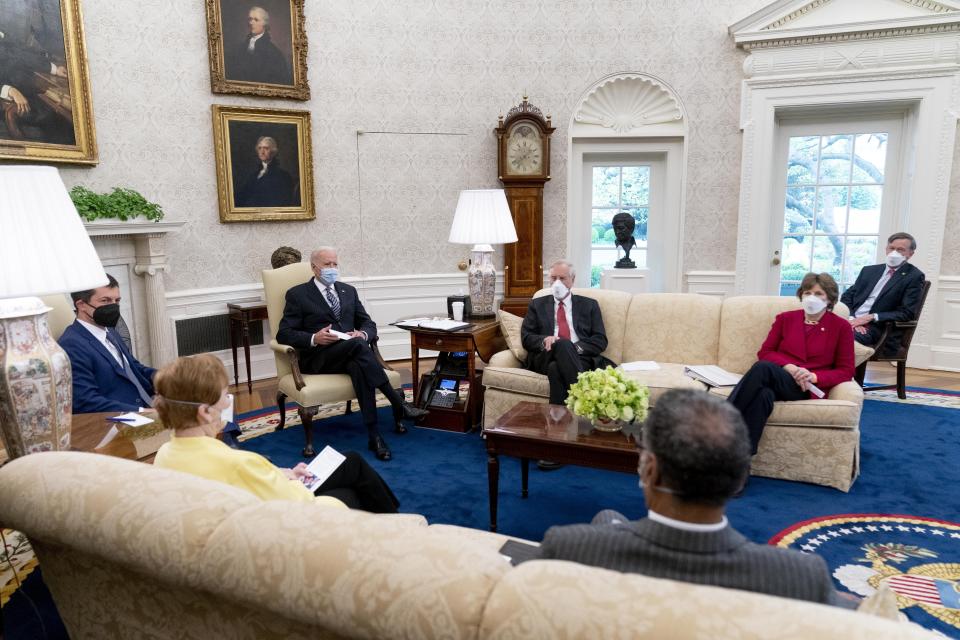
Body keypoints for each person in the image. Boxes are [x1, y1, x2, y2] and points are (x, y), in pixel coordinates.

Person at [537, 389, 843, 606]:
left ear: (650, 471)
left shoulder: (568, 547)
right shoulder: (802, 578)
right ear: (738, 478)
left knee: (606, 518)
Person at [153, 354, 399, 513]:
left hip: (265, 499)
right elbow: (298, 504)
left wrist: (281, 474)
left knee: (350, 461)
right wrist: (291, 479)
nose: (229, 404)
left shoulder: (164, 454)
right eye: (225, 397)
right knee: (352, 489)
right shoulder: (239, 463)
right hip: (298, 523)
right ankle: (399, 529)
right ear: (205, 413)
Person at [277, 247, 427, 461]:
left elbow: (368, 322)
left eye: (335, 264)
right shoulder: (297, 294)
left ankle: (375, 437)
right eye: (327, 264)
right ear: (314, 267)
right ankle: (399, 403)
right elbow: (284, 333)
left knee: (359, 363)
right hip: (319, 359)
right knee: (358, 348)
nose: (332, 268)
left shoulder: (348, 290)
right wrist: (313, 338)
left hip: (351, 354)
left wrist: (363, 333)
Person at [728, 272, 855, 455]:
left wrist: (813, 376)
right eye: (807, 292)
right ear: (801, 295)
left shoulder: (841, 327)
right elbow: (765, 352)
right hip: (781, 376)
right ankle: (740, 462)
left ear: (829, 299)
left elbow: (846, 370)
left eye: (818, 294)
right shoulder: (785, 319)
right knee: (763, 395)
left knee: (762, 368)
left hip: (806, 386)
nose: (811, 298)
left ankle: (722, 420)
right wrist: (789, 366)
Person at [59, 275, 157, 414]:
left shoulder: (110, 331)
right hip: (119, 421)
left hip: (149, 404)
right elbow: (86, 402)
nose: (113, 306)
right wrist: (145, 413)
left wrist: (162, 377)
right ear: (81, 305)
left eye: (117, 301)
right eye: (105, 301)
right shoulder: (71, 344)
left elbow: (132, 368)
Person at [521, 259, 612, 405]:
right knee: (561, 344)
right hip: (546, 355)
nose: (557, 282)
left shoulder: (589, 305)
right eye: (553, 278)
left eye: (562, 278)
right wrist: (544, 340)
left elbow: (600, 340)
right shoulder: (537, 304)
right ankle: (585, 398)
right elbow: (526, 337)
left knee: (555, 369)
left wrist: (573, 348)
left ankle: (558, 423)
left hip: (580, 356)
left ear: (572, 280)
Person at [840, 232, 925, 355]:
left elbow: (907, 313)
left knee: (839, 337)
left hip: (877, 328)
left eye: (900, 250)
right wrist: (852, 319)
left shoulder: (914, 276)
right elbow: (847, 297)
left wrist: (871, 317)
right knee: (815, 330)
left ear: (910, 254)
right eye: (891, 248)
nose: (894, 252)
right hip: (851, 321)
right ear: (886, 249)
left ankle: (840, 373)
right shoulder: (869, 271)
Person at [224, 6, 292, 85]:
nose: (251, 23)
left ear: (265, 24)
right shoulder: (239, 48)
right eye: (250, 19)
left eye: (256, 20)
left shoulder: (274, 53)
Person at [235, 135, 296, 208]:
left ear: (273, 152)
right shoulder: (253, 175)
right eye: (259, 148)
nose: (262, 152)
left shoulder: (283, 176)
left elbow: (282, 202)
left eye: (266, 148)